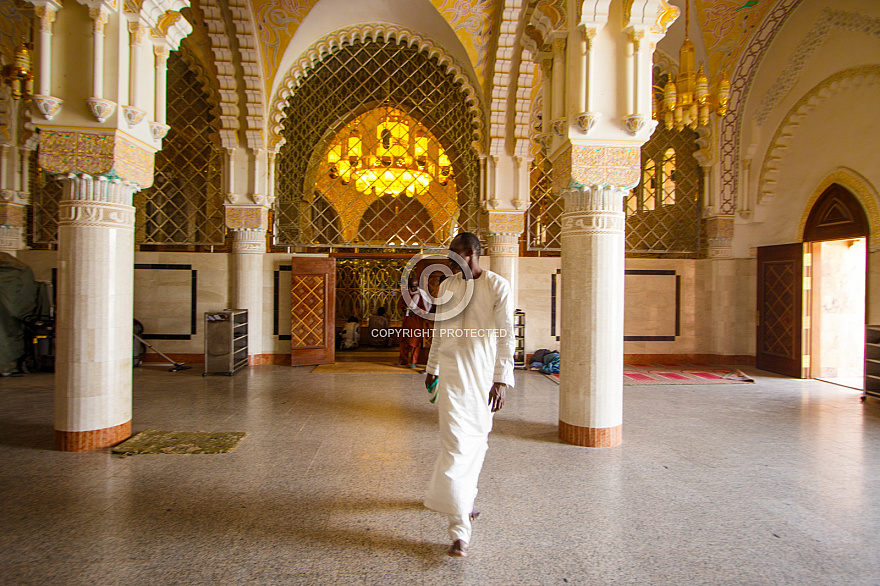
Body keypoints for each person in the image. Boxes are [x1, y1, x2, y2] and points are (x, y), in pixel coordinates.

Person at [423, 232, 515, 558]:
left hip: (481, 381)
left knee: (478, 443)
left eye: (457, 257)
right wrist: (431, 367)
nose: (452, 263)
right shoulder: (448, 287)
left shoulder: (497, 286)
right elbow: (438, 330)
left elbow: (506, 337)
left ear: (475, 253)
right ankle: (460, 531)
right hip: (450, 380)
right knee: (457, 447)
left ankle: (464, 498)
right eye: (450, 258)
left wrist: (501, 380)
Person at [397, 277, 431, 368]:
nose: (413, 289)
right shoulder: (406, 294)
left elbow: (426, 309)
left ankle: (413, 362)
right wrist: (405, 308)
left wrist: (417, 312)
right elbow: (401, 305)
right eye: (412, 287)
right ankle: (403, 360)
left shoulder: (422, 295)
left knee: (414, 343)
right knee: (403, 341)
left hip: (416, 322)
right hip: (406, 321)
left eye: (415, 287)